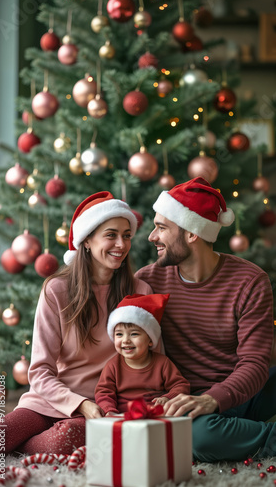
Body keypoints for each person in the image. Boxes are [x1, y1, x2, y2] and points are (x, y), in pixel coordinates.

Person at [0, 191, 153, 458]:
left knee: (65, 440)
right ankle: (16, 441)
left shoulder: (139, 291)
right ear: (86, 240)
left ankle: (20, 447)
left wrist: (99, 407)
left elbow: (152, 359)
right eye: (111, 235)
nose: (121, 244)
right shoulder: (57, 290)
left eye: (126, 235)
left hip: (104, 406)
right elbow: (40, 372)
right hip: (48, 401)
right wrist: (80, 404)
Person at [135, 176, 276, 462]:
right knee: (197, 437)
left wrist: (215, 398)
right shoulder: (147, 281)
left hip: (239, 391)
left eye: (161, 227)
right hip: (185, 401)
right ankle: (266, 437)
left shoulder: (250, 281)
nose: (151, 236)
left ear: (192, 233)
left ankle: (240, 433)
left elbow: (255, 363)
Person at [95, 293, 190, 414]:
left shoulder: (162, 363)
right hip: (123, 417)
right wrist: (109, 411)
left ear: (150, 340)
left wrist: (168, 398)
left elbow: (181, 385)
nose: (126, 340)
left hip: (156, 416)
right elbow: (103, 393)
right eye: (119, 334)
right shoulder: (113, 366)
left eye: (134, 334)